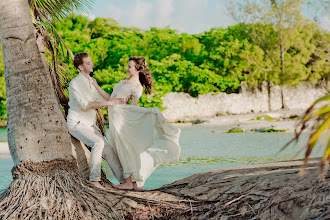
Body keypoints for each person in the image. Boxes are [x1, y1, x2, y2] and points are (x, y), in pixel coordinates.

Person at [92, 56, 181, 191]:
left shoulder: (137, 87)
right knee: (120, 148)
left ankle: (129, 182)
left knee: (124, 149)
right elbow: (110, 98)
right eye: (127, 66)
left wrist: (149, 112)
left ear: (138, 69)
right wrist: (96, 85)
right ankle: (133, 183)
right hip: (114, 117)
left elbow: (133, 108)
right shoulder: (123, 81)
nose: (126, 68)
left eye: (129, 67)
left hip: (123, 119)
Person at [67, 52, 125, 190]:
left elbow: (106, 98)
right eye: (88, 63)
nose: (92, 64)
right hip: (76, 124)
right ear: (80, 67)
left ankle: (125, 182)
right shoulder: (75, 83)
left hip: (90, 126)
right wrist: (110, 103)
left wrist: (108, 95)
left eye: (91, 62)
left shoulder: (92, 82)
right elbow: (86, 105)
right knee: (98, 142)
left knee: (109, 150)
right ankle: (94, 180)